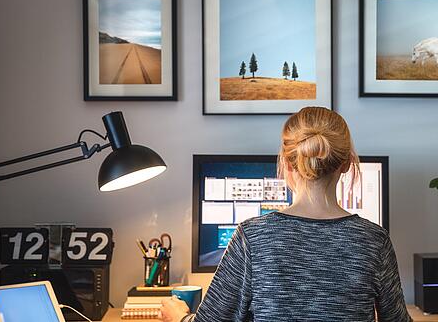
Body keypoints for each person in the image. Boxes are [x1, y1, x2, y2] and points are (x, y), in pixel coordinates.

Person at [161, 107, 410, 322]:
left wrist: (179, 316)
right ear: (346, 164)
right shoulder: (375, 240)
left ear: (288, 163)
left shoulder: (253, 236)